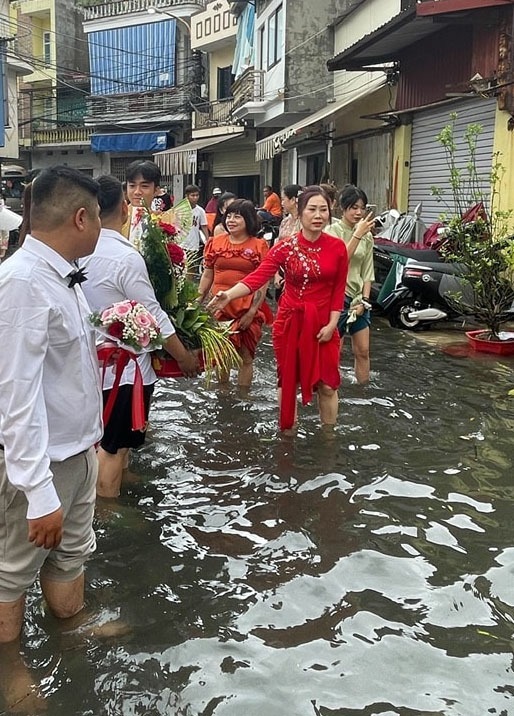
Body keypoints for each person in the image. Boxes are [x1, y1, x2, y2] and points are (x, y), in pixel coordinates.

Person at [0, 165, 103, 645]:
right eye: (100, 216)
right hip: (41, 466)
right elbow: (13, 398)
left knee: (72, 554)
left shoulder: (63, 278)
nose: (103, 226)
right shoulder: (20, 283)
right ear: (80, 218)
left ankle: (71, 628)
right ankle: (13, 670)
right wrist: (39, 494)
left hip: (78, 452)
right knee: (10, 574)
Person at [82, 176, 200, 498]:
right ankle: (107, 510)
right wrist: (184, 356)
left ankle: (116, 480)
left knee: (102, 441)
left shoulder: (76, 250)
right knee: (113, 446)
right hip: (122, 369)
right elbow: (153, 315)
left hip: (86, 363)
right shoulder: (125, 256)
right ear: (123, 206)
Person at [208, 186, 348, 431]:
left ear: (330, 212)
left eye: (323, 210)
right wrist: (228, 295)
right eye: (312, 209)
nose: (318, 215)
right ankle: (287, 437)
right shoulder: (285, 247)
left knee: (327, 384)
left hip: (326, 323)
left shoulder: (337, 248)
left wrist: (333, 323)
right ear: (300, 212)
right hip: (290, 321)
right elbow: (258, 277)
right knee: (288, 382)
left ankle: (328, 438)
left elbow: (338, 290)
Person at [198, 199, 270, 393]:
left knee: (246, 356)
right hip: (218, 307)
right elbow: (207, 274)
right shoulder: (215, 242)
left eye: (237, 216)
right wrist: (197, 302)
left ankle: (243, 396)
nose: (231, 220)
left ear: (248, 219)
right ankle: (223, 394)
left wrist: (252, 311)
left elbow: (263, 282)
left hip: (247, 308)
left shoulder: (259, 245)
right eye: (228, 215)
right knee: (220, 355)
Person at [325, 184, 376, 384]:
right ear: (342, 208)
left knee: (363, 351)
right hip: (336, 299)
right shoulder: (331, 232)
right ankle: (331, 392)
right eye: (353, 207)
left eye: (362, 208)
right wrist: (357, 235)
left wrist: (365, 301)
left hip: (359, 300)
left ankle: (363, 392)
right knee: (334, 353)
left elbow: (367, 271)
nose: (358, 212)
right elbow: (338, 263)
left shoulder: (368, 235)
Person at [121, 160, 163, 250]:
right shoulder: (117, 218)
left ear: (156, 190)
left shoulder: (164, 221)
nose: (137, 192)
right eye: (132, 186)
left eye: (144, 186)